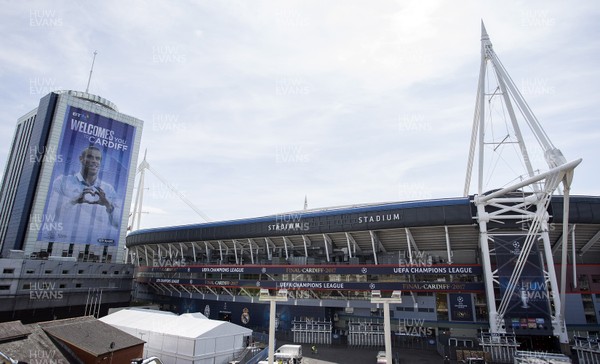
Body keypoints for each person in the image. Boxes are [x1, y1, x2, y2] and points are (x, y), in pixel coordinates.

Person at [41, 146, 120, 244]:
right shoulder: (62, 182)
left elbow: (118, 225)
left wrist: (108, 205)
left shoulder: (109, 189)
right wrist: (73, 201)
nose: (94, 161)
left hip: (97, 243)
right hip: (61, 240)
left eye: (98, 158)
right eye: (90, 157)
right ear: (81, 159)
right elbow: (49, 215)